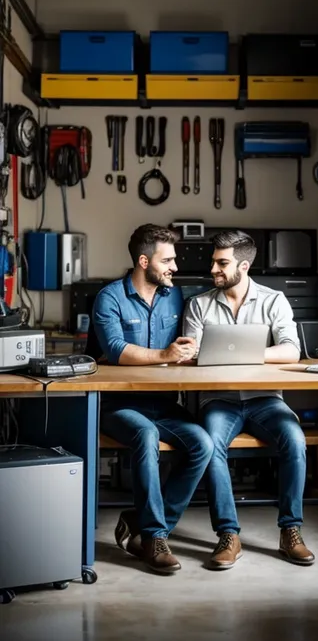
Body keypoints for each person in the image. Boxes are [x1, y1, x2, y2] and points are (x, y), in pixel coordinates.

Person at [183, 230, 315, 570]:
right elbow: (194, 356)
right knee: (211, 445)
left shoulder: (274, 300)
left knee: (295, 441)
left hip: (265, 399)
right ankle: (228, 534)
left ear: (243, 265)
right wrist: (250, 355)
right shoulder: (199, 304)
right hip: (219, 400)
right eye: (213, 260)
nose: (213, 268)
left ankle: (291, 531)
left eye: (221, 262)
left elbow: (291, 350)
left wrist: (241, 355)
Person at [92, 224, 214, 575]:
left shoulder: (174, 296)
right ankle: (154, 538)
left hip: (163, 403)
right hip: (118, 405)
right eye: (168, 260)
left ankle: (141, 521)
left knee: (202, 444)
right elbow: (115, 350)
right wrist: (165, 353)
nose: (175, 266)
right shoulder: (110, 297)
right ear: (144, 261)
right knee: (145, 435)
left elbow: (182, 348)